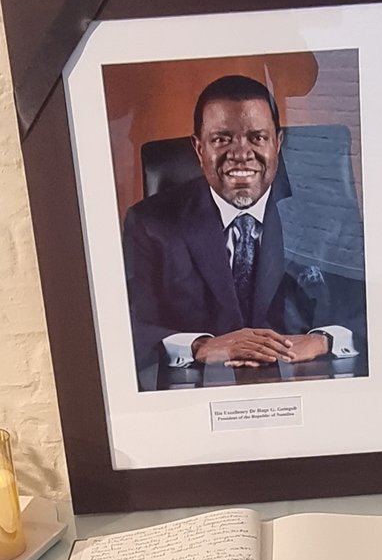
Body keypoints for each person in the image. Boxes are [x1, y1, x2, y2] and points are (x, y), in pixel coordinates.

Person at [120, 75, 366, 391]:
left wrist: (323, 340)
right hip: (198, 398)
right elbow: (129, 328)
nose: (241, 153)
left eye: (257, 137)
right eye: (222, 139)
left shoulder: (326, 216)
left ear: (277, 143)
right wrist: (199, 346)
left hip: (308, 390)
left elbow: (375, 313)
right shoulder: (149, 223)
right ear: (199, 148)